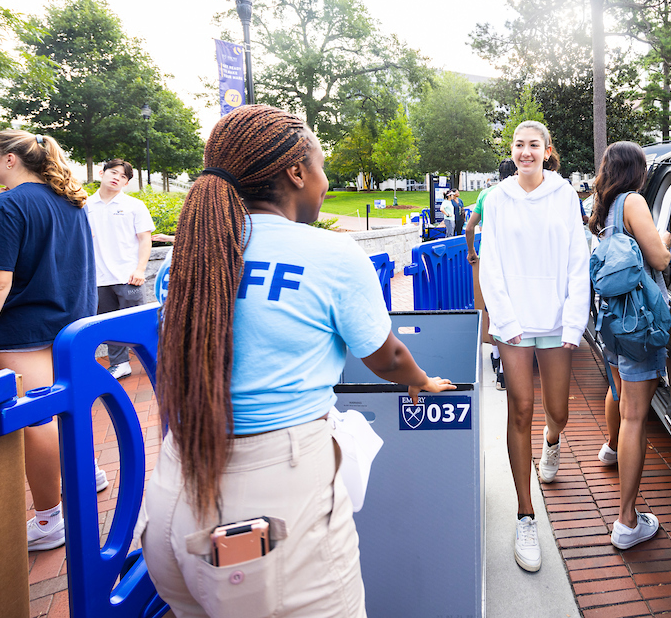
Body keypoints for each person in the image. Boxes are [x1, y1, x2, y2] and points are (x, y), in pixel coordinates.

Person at [142, 105, 454, 618]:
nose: (326, 182)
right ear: (296, 172)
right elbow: (388, 355)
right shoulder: (330, 254)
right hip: (268, 513)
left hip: (174, 495)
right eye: (322, 166)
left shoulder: (193, 255)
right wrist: (422, 382)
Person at [0, 131, 100, 551]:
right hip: (71, 324)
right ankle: (89, 470)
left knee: (36, 421)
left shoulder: (4, 205)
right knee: (65, 409)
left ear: (10, 160)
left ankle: (48, 519)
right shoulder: (70, 201)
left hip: (24, 327)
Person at [478, 121, 589, 573]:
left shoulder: (565, 196)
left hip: (556, 319)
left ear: (547, 150)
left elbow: (577, 260)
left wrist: (573, 320)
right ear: (513, 151)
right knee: (520, 408)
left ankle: (553, 439)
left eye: (534, 145)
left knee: (556, 411)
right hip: (514, 323)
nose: (526, 152)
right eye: (519, 145)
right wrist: (505, 319)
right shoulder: (497, 198)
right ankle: (526, 514)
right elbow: (492, 261)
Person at [588, 141, 671, 550]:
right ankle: (626, 522)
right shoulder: (634, 201)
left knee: (618, 391)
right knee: (636, 415)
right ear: (638, 171)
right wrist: (665, 239)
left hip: (614, 320)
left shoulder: (603, 209)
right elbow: (659, 261)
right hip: (639, 320)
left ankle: (609, 449)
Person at [86, 158, 155, 379]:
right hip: (98, 278)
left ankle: (157, 359)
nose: (117, 177)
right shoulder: (84, 205)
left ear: (126, 183)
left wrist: (140, 269)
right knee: (109, 325)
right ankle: (120, 363)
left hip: (129, 276)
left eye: (123, 176)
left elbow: (145, 240)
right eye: (113, 172)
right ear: (101, 173)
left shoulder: (134, 206)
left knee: (140, 322)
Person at [465, 158, 517, 390]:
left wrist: (471, 251)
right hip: (515, 261)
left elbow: (469, 227)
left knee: (494, 308)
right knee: (513, 309)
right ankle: (505, 372)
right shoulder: (520, 193)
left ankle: (496, 356)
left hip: (490, 258)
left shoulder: (486, 195)